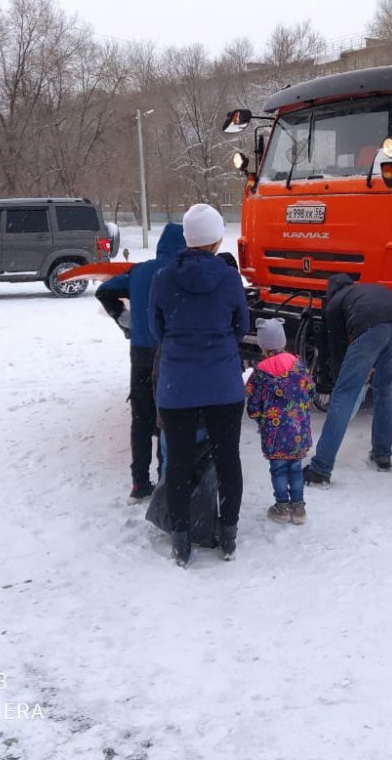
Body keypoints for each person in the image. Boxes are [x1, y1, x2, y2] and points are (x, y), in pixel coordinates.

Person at [150, 203, 249, 568]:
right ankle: (228, 533)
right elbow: (241, 325)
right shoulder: (228, 278)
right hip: (223, 384)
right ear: (217, 238)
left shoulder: (163, 277)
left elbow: (157, 328)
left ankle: (181, 537)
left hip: (178, 387)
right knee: (228, 460)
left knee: (177, 462)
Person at [96, 222, 186, 503]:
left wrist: (121, 316)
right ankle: (164, 477)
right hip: (171, 355)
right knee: (167, 419)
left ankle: (139, 483)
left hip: (141, 355)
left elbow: (104, 291)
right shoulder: (181, 273)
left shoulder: (139, 271)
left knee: (141, 419)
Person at [302, 275, 392, 484]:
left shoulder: (335, 303)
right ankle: (382, 455)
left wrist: (337, 380)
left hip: (373, 326)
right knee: (383, 387)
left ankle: (320, 469)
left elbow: (337, 347)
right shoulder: (363, 290)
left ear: (331, 292)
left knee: (344, 394)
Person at [245, 317, 315, 525]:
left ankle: (282, 507)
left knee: (278, 469)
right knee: (295, 467)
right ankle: (299, 508)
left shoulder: (260, 372)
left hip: (274, 433)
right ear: (283, 342)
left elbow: (254, 403)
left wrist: (257, 415)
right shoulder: (297, 364)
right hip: (298, 430)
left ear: (262, 345)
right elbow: (309, 390)